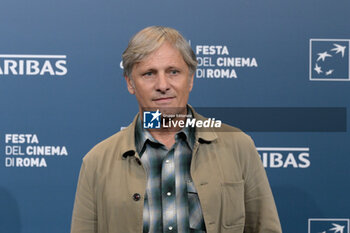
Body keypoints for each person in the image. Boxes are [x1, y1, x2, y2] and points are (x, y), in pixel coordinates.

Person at [71, 26, 282, 233]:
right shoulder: (97, 162)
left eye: (173, 72)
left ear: (190, 79)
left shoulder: (238, 146)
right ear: (130, 83)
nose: (163, 85)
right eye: (149, 74)